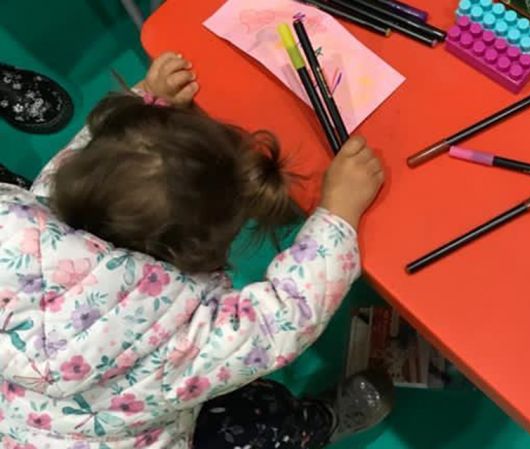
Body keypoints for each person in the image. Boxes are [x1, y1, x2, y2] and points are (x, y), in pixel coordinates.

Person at [0, 52, 392, 449]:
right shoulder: (178, 340)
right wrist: (339, 212)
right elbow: (284, 317)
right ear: (195, 256)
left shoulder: (17, 222)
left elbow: (72, 172)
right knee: (259, 421)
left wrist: (147, 99)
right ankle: (318, 424)